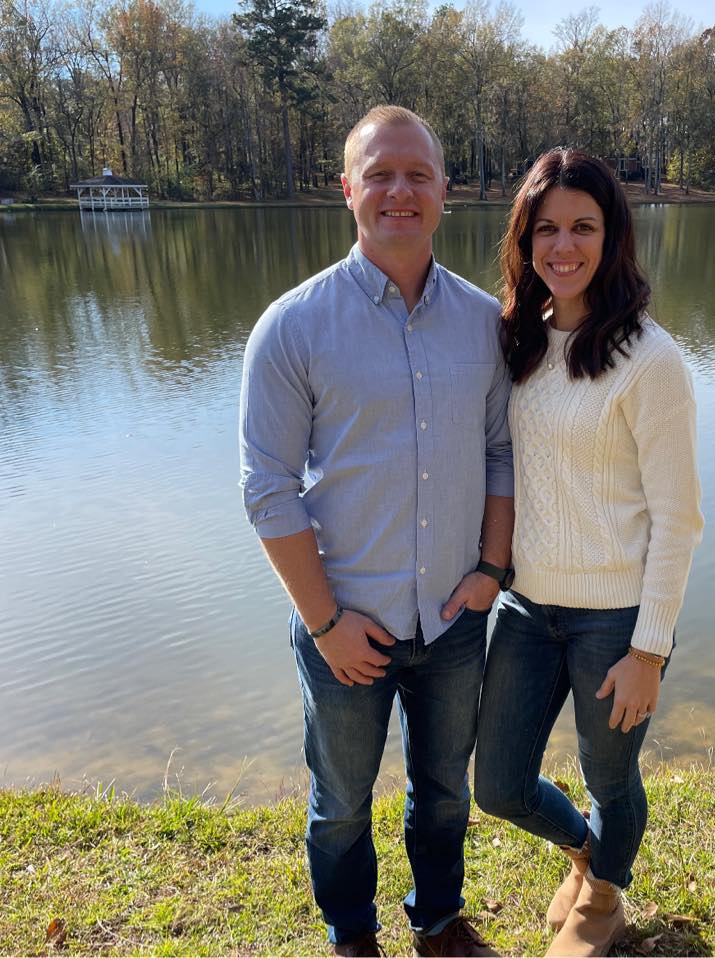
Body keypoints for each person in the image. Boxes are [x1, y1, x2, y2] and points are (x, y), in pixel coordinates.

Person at [239, 105, 514, 958]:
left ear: (445, 194)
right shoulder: (293, 326)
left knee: (442, 792)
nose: (401, 190)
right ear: (349, 189)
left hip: (454, 618)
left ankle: (436, 919)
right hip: (346, 624)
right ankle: (350, 931)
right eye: (381, 174)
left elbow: (503, 452)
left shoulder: (484, 323)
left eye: (419, 174)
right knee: (342, 799)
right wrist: (325, 623)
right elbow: (268, 491)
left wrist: (492, 571)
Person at [474, 148, 703, 958]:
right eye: (546, 229)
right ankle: (585, 852)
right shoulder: (519, 346)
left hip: (616, 619)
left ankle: (603, 897)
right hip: (528, 609)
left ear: (612, 237)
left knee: (611, 780)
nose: (562, 246)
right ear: (523, 239)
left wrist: (651, 648)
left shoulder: (652, 362)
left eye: (583, 227)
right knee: (497, 786)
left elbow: (679, 520)